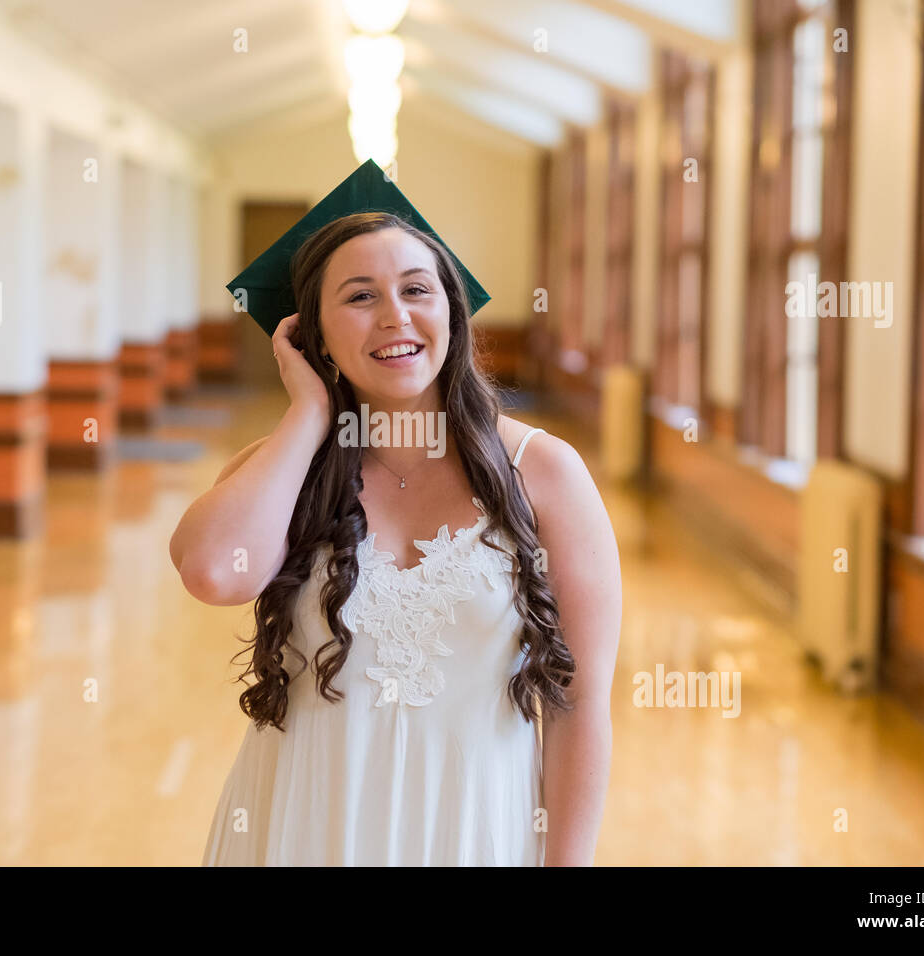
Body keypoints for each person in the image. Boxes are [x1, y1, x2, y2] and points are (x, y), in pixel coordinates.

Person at [169, 160, 621, 865]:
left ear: (452, 311)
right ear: (313, 336)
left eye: (417, 289)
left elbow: (581, 702)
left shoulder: (545, 473)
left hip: (474, 829)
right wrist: (309, 415)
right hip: (302, 824)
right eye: (359, 297)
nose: (395, 316)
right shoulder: (282, 468)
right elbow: (210, 572)